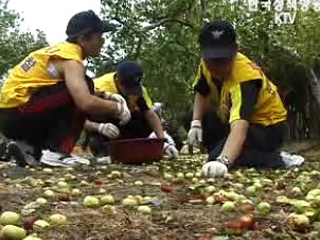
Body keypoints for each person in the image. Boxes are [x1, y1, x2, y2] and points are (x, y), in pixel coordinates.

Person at [0, 10, 131, 167]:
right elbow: (85, 102)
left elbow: (59, 91)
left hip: (9, 115)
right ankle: (57, 152)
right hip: (20, 112)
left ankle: (27, 149)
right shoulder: (71, 60)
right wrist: (117, 108)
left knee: (81, 88)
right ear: (83, 39)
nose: (103, 42)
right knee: (86, 87)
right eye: (100, 37)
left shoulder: (59, 51)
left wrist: (106, 95)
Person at [187, 20, 304, 178]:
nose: (217, 67)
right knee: (199, 120)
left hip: (268, 128)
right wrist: (196, 123)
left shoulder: (245, 79)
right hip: (235, 121)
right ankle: (237, 152)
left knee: (216, 156)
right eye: (212, 60)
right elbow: (202, 92)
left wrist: (224, 160)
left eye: (223, 60)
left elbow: (240, 126)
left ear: (235, 50)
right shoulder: (204, 66)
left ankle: (277, 159)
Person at [84, 61, 179, 159]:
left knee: (142, 117)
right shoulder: (97, 87)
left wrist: (162, 141)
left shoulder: (140, 91)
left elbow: (150, 114)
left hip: (126, 128)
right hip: (102, 128)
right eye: (128, 89)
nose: (131, 94)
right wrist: (99, 127)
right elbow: (79, 120)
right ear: (118, 82)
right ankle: (103, 150)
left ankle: (135, 147)